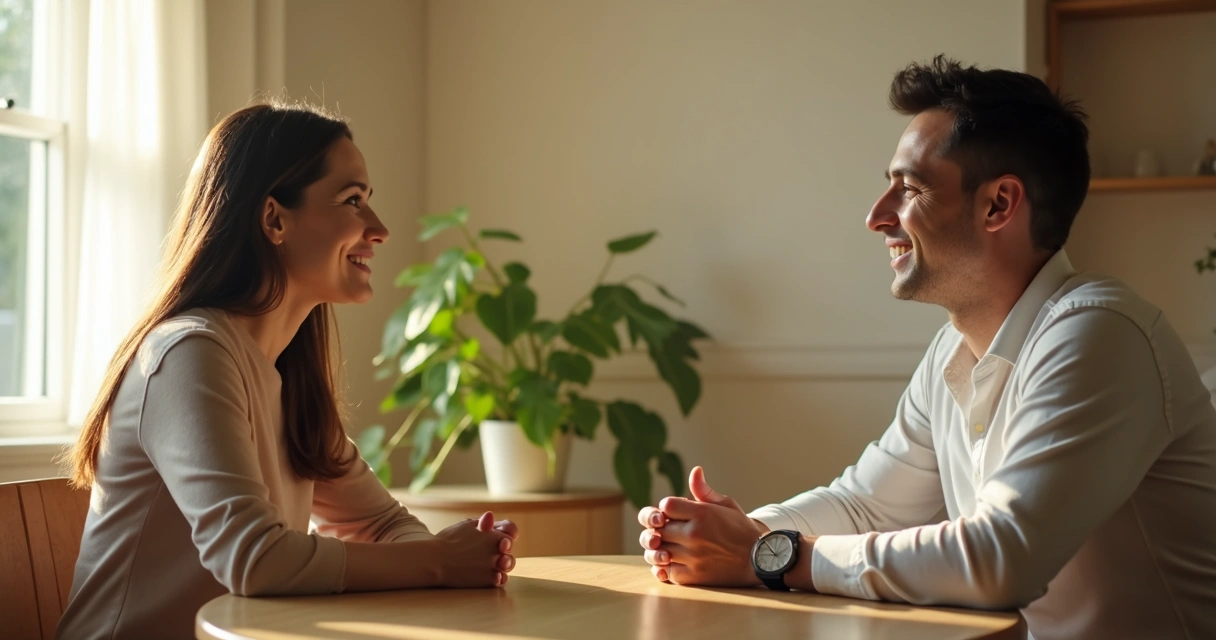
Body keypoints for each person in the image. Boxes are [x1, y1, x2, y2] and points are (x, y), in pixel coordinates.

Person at [637, 56, 1216, 640]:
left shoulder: (1100, 334)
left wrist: (770, 556)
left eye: (910, 188)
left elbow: (1000, 559)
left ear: (999, 204)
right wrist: (730, 534)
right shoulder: (951, 350)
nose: (876, 217)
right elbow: (866, 504)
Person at [57, 102, 518, 640]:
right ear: (274, 218)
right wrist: (439, 561)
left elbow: (381, 523)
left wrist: (454, 557)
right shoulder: (189, 355)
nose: (380, 229)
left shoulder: (288, 377)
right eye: (353, 201)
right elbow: (254, 558)